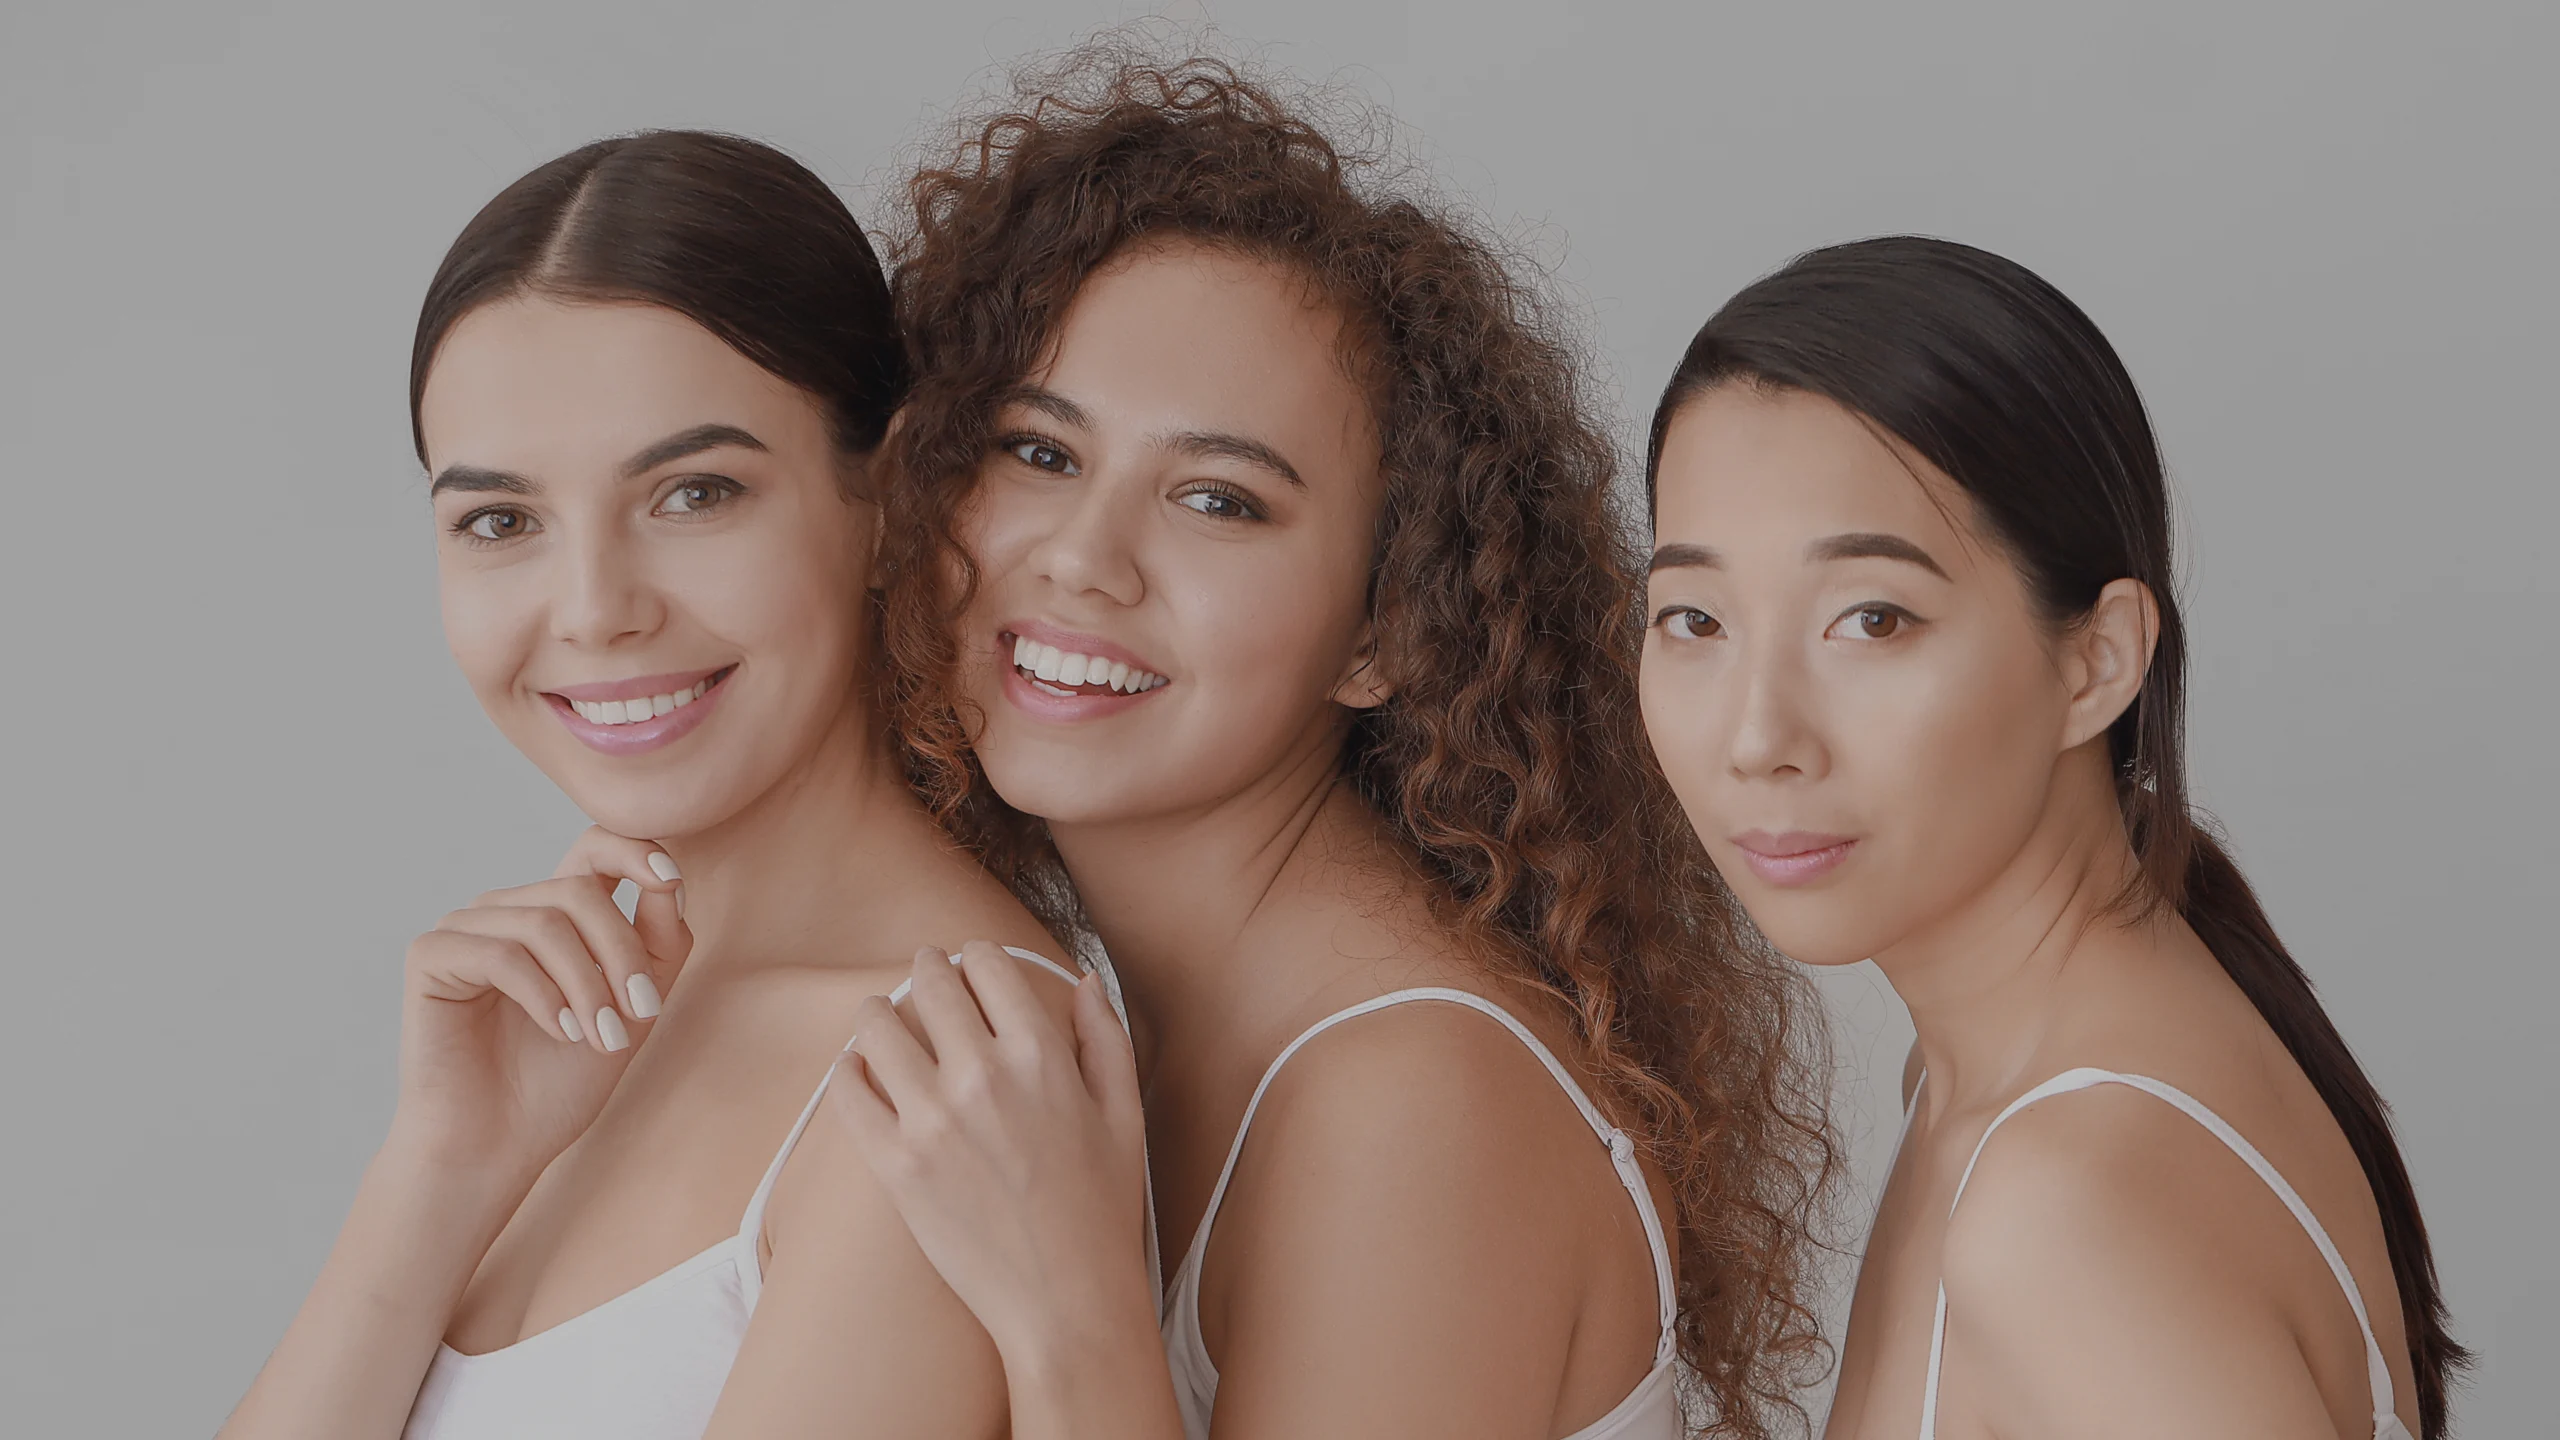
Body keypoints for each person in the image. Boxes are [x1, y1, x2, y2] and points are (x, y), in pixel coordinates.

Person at [825, 53, 1835, 1440]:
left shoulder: (1409, 1112)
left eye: (1218, 500)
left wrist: (1070, 1319)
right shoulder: (1144, 1022)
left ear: (1385, 632)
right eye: (1039, 453)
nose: (1084, 561)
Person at [220, 130, 1096, 1440]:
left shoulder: (951, 1079)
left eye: (695, 493)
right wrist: (440, 1172)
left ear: (887, 499)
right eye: (501, 521)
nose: (593, 611)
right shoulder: (561, 1036)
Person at [1636, 235, 2465, 1438]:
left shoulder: (2059, 1209)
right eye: (1694, 617)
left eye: (1871, 619)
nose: (1759, 734)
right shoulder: (2012, 1070)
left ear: (2097, 660)